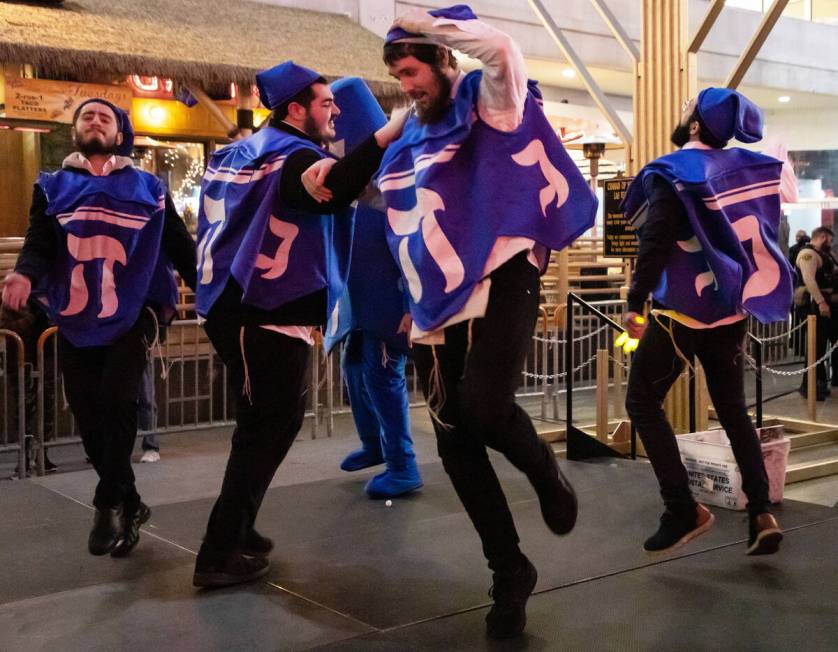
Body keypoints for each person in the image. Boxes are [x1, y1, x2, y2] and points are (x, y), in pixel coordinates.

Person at [375, 6, 595, 639]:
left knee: (487, 408)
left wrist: (426, 20)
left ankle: (546, 474)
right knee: (455, 442)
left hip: (501, 273)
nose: (408, 84)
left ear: (444, 60)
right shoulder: (410, 134)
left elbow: (498, 47)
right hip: (434, 296)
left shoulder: (491, 101)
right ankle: (509, 570)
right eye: (398, 75)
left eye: (413, 69)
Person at [192, 61, 409, 589]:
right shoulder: (294, 157)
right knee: (263, 428)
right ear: (296, 110)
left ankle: (240, 528)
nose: (334, 111)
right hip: (263, 309)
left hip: (241, 306)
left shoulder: (244, 150)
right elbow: (334, 187)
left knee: (277, 422)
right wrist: (388, 132)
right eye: (325, 103)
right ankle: (219, 552)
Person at [2, 98, 197, 557]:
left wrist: (211, 296)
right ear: (75, 131)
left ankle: (108, 502)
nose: (94, 121)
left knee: (118, 396)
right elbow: (39, 242)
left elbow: (180, 246)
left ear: (119, 132)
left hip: (137, 306)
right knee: (88, 415)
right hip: (75, 312)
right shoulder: (51, 186)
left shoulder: (149, 186)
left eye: (103, 117)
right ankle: (131, 504)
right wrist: (25, 274)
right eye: (86, 116)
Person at [622, 87, 793, 559]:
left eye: (688, 110)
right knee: (733, 410)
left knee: (641, 402)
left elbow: (655, 242)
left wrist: (636, 303)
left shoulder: (674, 173)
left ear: (695, 124)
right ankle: (761, 512)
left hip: (680, 312)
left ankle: (682, 508)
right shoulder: (745, 171)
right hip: (732, 311)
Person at [327, 77, 422, 499]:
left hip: (391, 298)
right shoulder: (354, 179)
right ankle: (374, 445)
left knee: (383, 375)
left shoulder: (395, 175)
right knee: (355, 367)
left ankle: (403, 464)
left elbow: (411, 241)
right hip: (363, 297)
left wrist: (409, 301)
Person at [794, 226, 838, 399]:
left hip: (830, 305)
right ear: (823, 236)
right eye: (831, 239)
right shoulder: (808, 254)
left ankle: (829, 380)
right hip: (815, 307)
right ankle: (812, 385)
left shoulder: (826, 255)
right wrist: (821, 302)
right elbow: (809, 279)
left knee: (829, 342)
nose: (831, 243)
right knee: (816, 346)